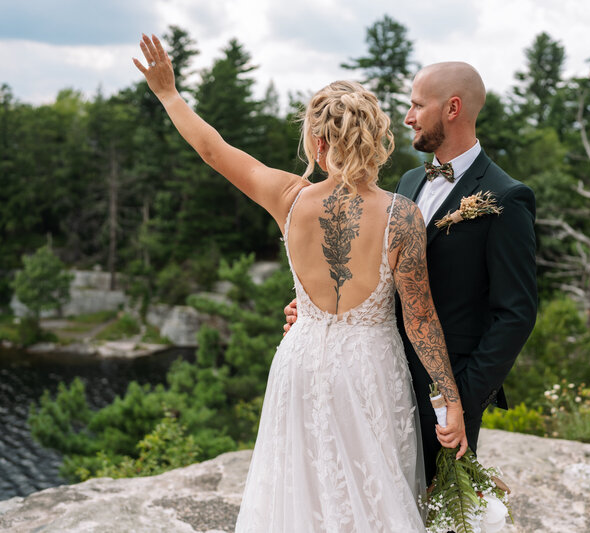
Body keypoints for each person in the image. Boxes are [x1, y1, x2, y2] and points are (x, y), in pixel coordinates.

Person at [133, 34, 467, 532]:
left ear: (318, 141)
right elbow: (421, 320)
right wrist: (452, 402)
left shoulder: (289, 198)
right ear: (376, 137)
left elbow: (212, 149)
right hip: (370, 369)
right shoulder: (402, 216)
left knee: (300, 493)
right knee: (375, 496)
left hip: (301, 363)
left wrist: (169, 94)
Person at [285, 61, 538, 486]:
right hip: (378, 376)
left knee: (434, 512)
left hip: (443, 398)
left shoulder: (507, 197)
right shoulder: (406, 183)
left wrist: (460, 399)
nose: (407, 117)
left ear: (452, 108)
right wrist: (321, 309)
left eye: (417, 105)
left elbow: (516, 313)